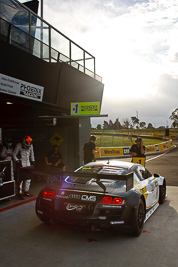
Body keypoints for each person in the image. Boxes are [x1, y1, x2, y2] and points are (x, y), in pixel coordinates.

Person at [13, 135, 35, 200]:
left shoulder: (31, 145)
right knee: (21, 179)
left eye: (29, 142)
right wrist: (17, 160)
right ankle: (19, 193)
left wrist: (33, 161)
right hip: (21, 164)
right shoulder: (19, 145)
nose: (28, 143)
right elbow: (14, 154)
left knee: (28, 178)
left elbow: (32, 153)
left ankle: (26, 191)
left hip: (28, 163)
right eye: (27, 142)